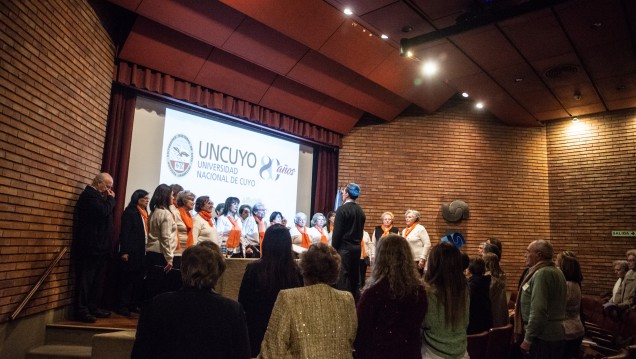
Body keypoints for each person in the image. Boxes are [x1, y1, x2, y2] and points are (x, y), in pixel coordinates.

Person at [131, 242, 250, 359]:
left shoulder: (157, 304)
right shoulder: (232, 310)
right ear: (218, 273)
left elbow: (140, 352)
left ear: (183, 269)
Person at [258, 243, 357, 358]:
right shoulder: (347, 300)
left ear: (305, 268)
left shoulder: (288, 298)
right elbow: (350, 342)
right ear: (335, 270)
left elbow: (271, 351)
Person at [355, 234, 426, 359]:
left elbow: (361, 331)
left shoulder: (373, 293)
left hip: (379, 353)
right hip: (410, 352)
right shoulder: (419, 291)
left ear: (381, 258)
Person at [238, 225, 303, 357]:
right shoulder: (296, 271)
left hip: (257, 331)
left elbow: (242, 302)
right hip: (288, 335)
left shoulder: (254, 269)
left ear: (266, 244)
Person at [72, 172, 116, 323]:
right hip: (90, 247)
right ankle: (81, 310)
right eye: (108, 186)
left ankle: (93, 306)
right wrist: (111, 199)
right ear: (99, 183)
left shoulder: (99, 196)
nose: (109, 190)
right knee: (85, 280)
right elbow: (102, 212)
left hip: (101, 248)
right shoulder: (89, 196)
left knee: (96, 280)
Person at [516, 240, 567, 359]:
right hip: (553, 334)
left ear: (539, 255)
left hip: (542, 337)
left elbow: (538, 311)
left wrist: (528, 339)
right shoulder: (556, 271)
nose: (525, 255)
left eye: (528, 252)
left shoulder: (542, 274)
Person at [421, 241, 469, 359]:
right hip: (461, 352)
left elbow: (425, 323)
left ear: (434, 263)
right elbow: (466, 322)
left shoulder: (427, 291)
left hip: (433, 353)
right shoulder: (464, 288)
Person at [116, 189, 149, 317]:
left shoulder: (145, 212)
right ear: (137, 198)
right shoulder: (130, 212)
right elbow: (125, 232)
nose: (147, 200)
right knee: (128, 280)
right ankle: (122, 306)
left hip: (142, 250)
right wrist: (124, 251)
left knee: (138, 279)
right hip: (131, 251)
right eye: (145, 198)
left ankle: (133, 304)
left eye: (147, 198)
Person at [332, 183, 366, 301]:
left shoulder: (342, 210)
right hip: (357, 248)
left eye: (343, 192)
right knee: (354, 277)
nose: (342, 194)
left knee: (343, 277)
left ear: (346, 194)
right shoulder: (360, 211)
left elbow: (337, 233)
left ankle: (343, 303)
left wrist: (333, 249)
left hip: (344, 249)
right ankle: (354, 302)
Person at [145, 184, 179, 302]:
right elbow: (165, 238)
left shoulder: (154, 212)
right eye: (171, 196)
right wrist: (169, 258)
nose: (173, 199)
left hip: (152, 253)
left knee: (151, 285)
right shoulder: (165, 214)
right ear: (165, 196)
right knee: (160, 288)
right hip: (160, 254)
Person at [556, 251, 584, 359]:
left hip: (567, 331)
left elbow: (558, 306)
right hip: (576, 327)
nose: (555, 267)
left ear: (564, 267)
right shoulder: (575, 283)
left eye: (557, 264)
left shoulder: (567, 285)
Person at [466, 257, 493, 334]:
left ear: (471, 268)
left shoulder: (471, 284)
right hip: (485, 321)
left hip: (474, 323)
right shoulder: (486, 281)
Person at [483, 252, 509, 328]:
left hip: (492, 312)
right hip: (502, 311)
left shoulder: (488, 278)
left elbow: (488, 296)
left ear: (486, 263)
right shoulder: (501, 276)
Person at [402, 209, 431, 276]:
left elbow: (427, 244)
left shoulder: (420, 228)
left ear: (415, 218)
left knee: (417, 280)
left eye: (409, 217)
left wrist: (423, 258)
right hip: (407, 259)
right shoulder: (404, 231)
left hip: (417, 260)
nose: (407, 219)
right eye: (406, 217)